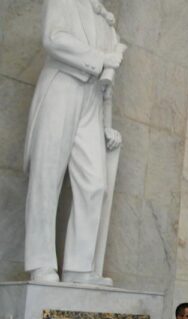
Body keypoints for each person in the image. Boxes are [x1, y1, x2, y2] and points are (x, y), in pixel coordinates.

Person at [24, 0, 126, 285]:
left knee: (94, 183)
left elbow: (107, 83)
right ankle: (41, 264)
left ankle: (79, 268)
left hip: (92, 98)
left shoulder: (107, 22)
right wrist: (100, 58)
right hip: (62, 86)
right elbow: (53, 39)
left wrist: (106, 125)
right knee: (47, 176)